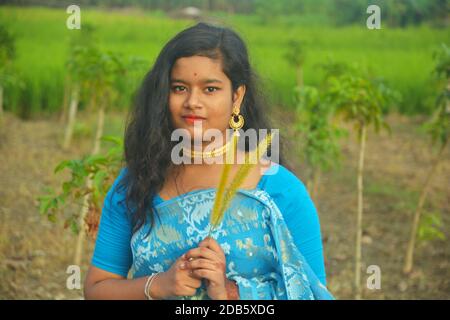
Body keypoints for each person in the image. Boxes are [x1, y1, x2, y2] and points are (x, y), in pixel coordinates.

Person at [84, 22, 333, 300]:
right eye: (179, 88)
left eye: (210, 89)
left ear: (236, 96)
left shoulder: (280, 191)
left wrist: (231, 294)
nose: (193, 102)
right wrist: (158, 285)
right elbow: (97, 289)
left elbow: (312, 294)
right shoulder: (136, 183)